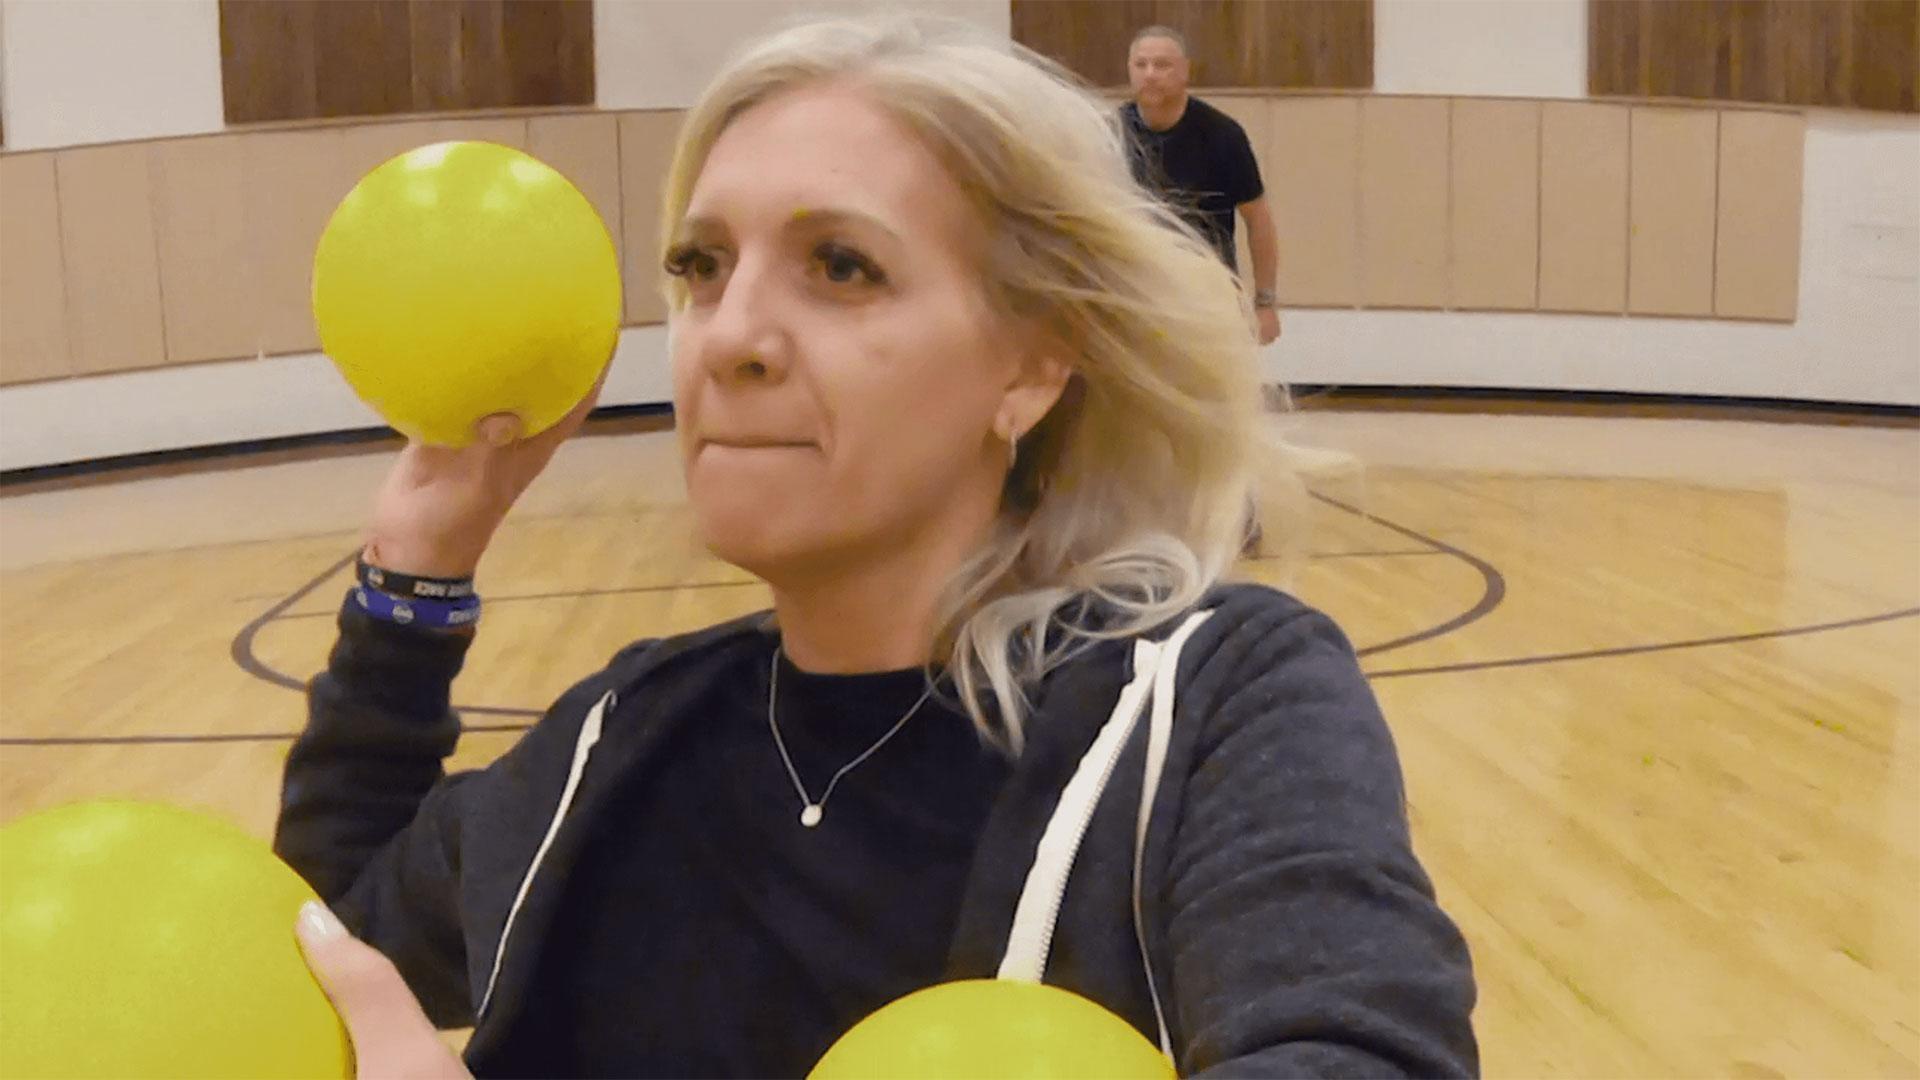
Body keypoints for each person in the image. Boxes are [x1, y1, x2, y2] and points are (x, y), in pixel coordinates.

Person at [281, 15, 1477, 1078]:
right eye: (702, 267)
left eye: (840, 267)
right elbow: (334, 949)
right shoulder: (620, 735)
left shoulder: (1205, 702)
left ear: (1031, 366)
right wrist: (414, 574)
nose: (729, 334)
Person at [1122, 25, 1281, 348]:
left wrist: (1265, 302)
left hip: (1209, 298)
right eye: (1141, 64)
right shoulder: (1110, 133)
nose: (1150, 74)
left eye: (1162, 65)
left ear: (1185, 71)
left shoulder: (1223, 136)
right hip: (1136, 295)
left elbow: (1258, 219)